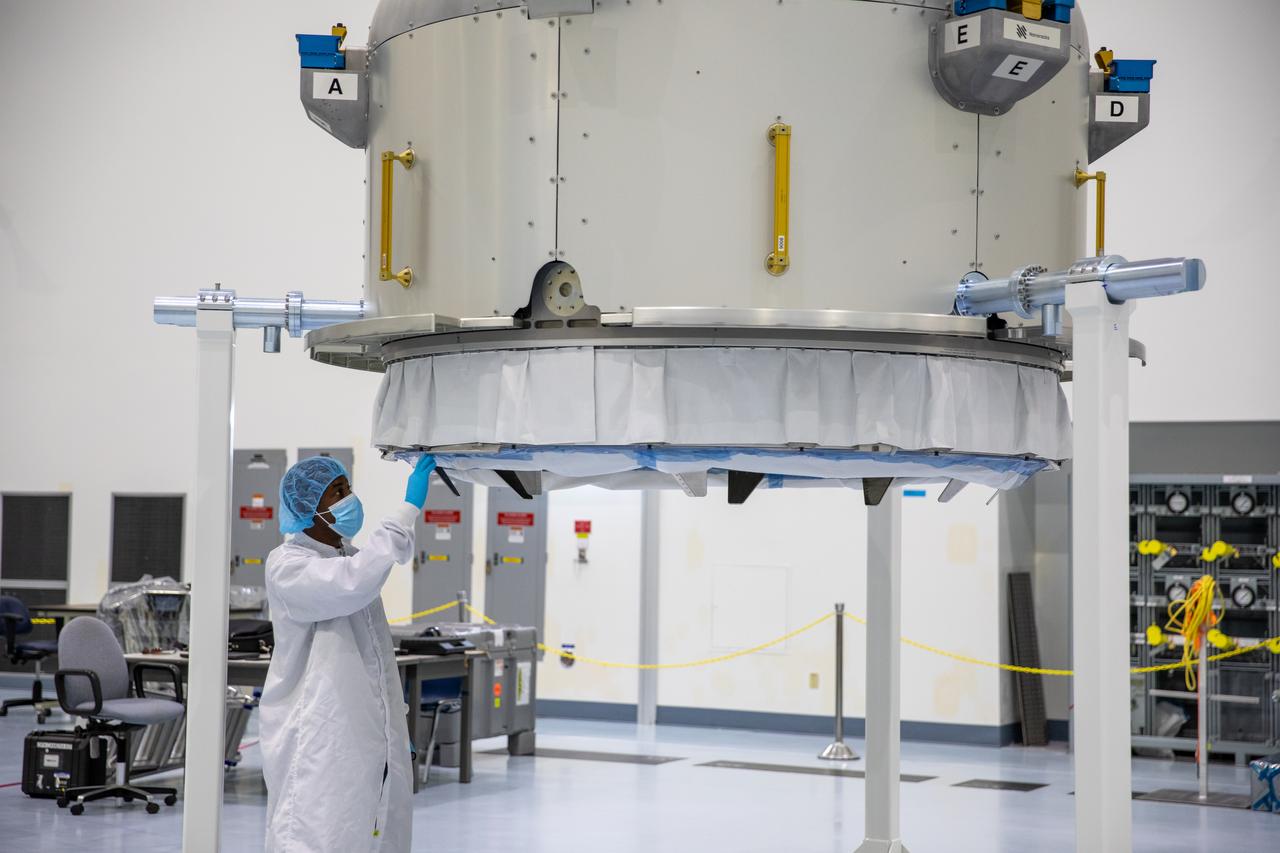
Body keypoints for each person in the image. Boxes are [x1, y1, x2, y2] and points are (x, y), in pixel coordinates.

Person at [259, 454, 436, 853]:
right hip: (318, 732)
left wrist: (393, 725)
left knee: (369, 829)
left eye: (348, 488)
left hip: (360, 730)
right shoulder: (288, 565)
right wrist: (407, 510)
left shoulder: (347, 556)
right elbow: (352, 584)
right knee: (319, 832)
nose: (348, 498)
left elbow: (373, 656)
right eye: (336, 492)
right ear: (307, 507)